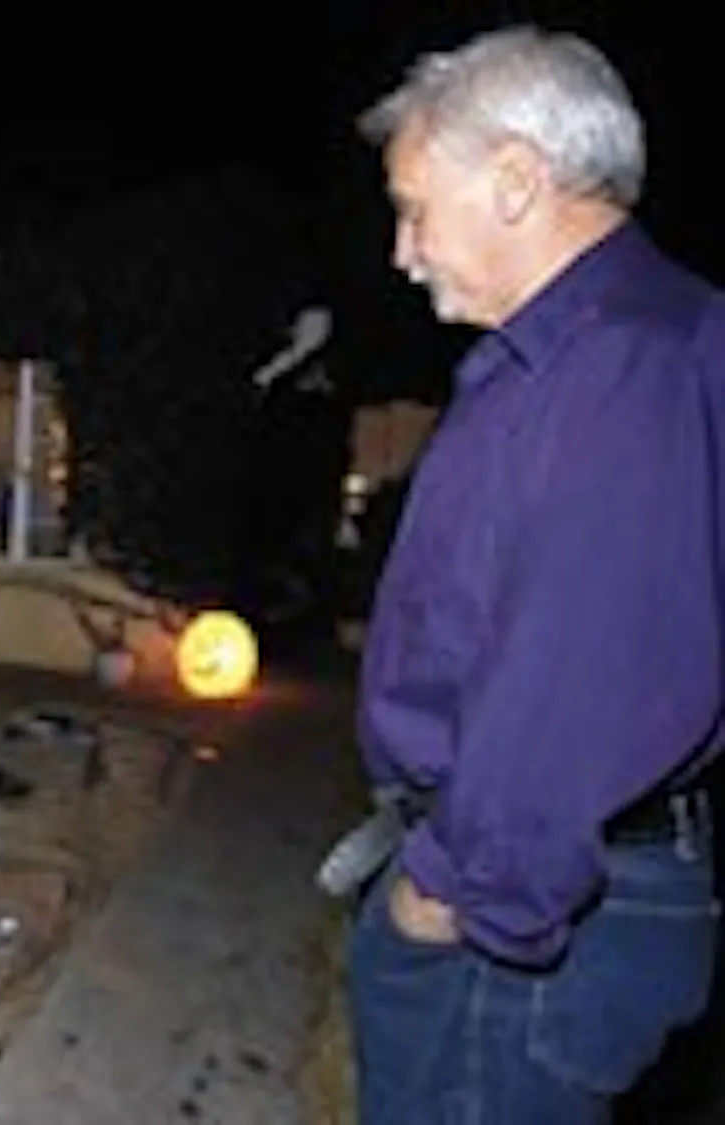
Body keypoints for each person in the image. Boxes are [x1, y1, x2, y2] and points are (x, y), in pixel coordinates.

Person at [347, 24, 725, 1124]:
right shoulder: (571, 357)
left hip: (519, 915)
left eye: (415, 207)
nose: (401, 250)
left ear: (517, 180)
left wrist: (451, 891)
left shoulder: (621, 366)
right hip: (516, 878)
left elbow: (580, 676)